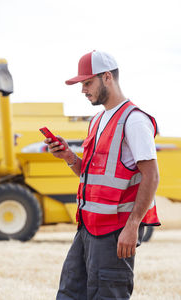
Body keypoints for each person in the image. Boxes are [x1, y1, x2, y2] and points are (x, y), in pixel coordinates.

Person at [45, 50, 161, 300]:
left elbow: (151, 176)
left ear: (107, 77)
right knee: (69, 294)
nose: (83, 89)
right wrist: (69, 157)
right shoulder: (96, 121)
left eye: (87, 82)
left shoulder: (134, 120)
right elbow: (91, 175)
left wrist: (132, 226)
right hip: (87, 228)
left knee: (108, 295)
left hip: (115, 232)